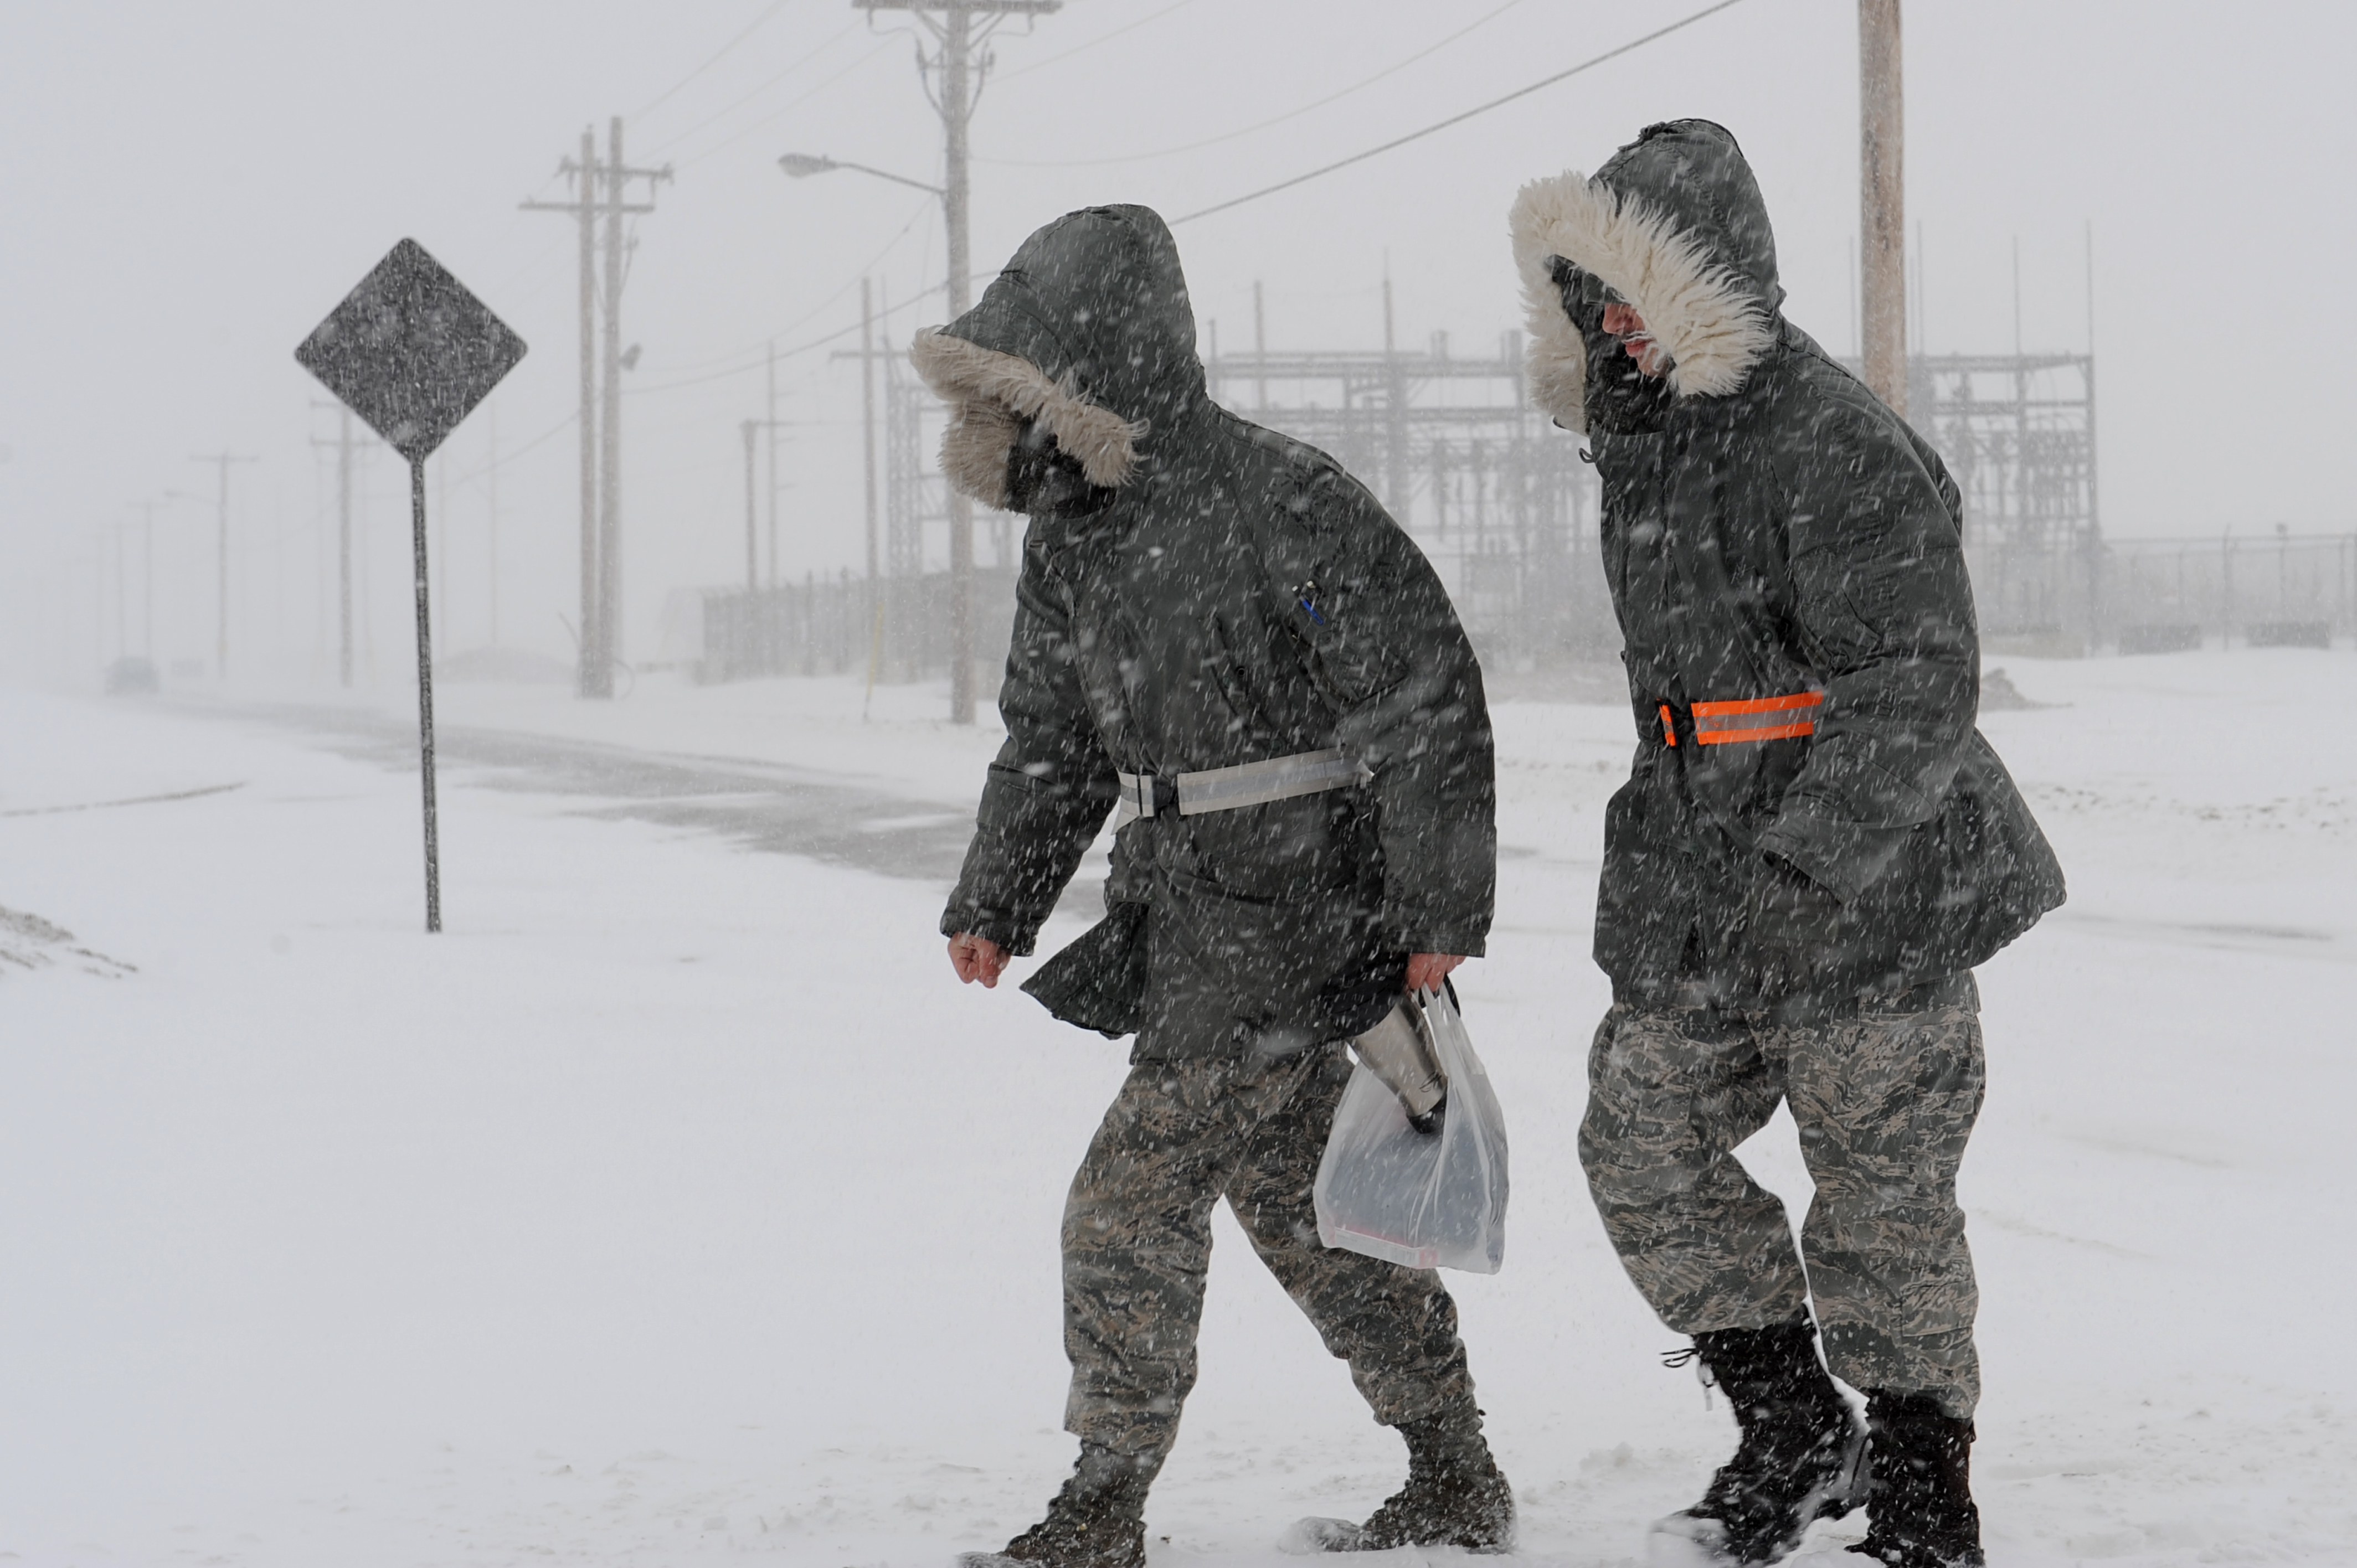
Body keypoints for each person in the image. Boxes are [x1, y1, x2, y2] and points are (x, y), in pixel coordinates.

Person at [919, 203, 1512, 1568]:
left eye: (1037, 388)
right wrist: (997, 898)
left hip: (1301, 910)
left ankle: (1103, 1505)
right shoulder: (1067, 538)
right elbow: (1053, 735)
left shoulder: (1284, 499)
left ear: (1102, 368)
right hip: (1178, 913)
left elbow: (1424, 701)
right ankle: (1456, 1468)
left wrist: (1433, 916)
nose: (1024, 424)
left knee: (1128, 1202)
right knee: (1314, 1215)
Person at [1507, 122, 2065, 1568]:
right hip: (1700, 878)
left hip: (1871, 882)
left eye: (1637, 293)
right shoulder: (1640, 439)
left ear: (1709, 284)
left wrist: (1808, 864)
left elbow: (1917, 680)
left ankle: (1930, 1490)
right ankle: (1795, 1428)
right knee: (1639, 1147)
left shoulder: (1830, 438)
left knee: (1882, 1192)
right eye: (1595, 297)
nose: (1615, 327)